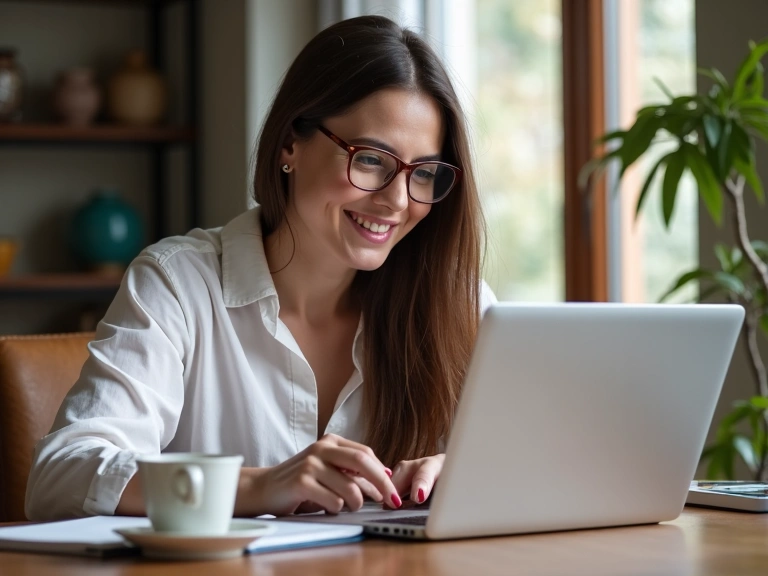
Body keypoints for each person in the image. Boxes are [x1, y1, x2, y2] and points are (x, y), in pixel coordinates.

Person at [25, 14, 496, 521]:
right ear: (291, 144)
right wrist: (256, 486)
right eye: (371, 160)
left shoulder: (460, 304)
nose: (397, 201)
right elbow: (61, 477)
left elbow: (543, 466)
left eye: (423, 173)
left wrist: (472, 475)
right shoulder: (179, 285)